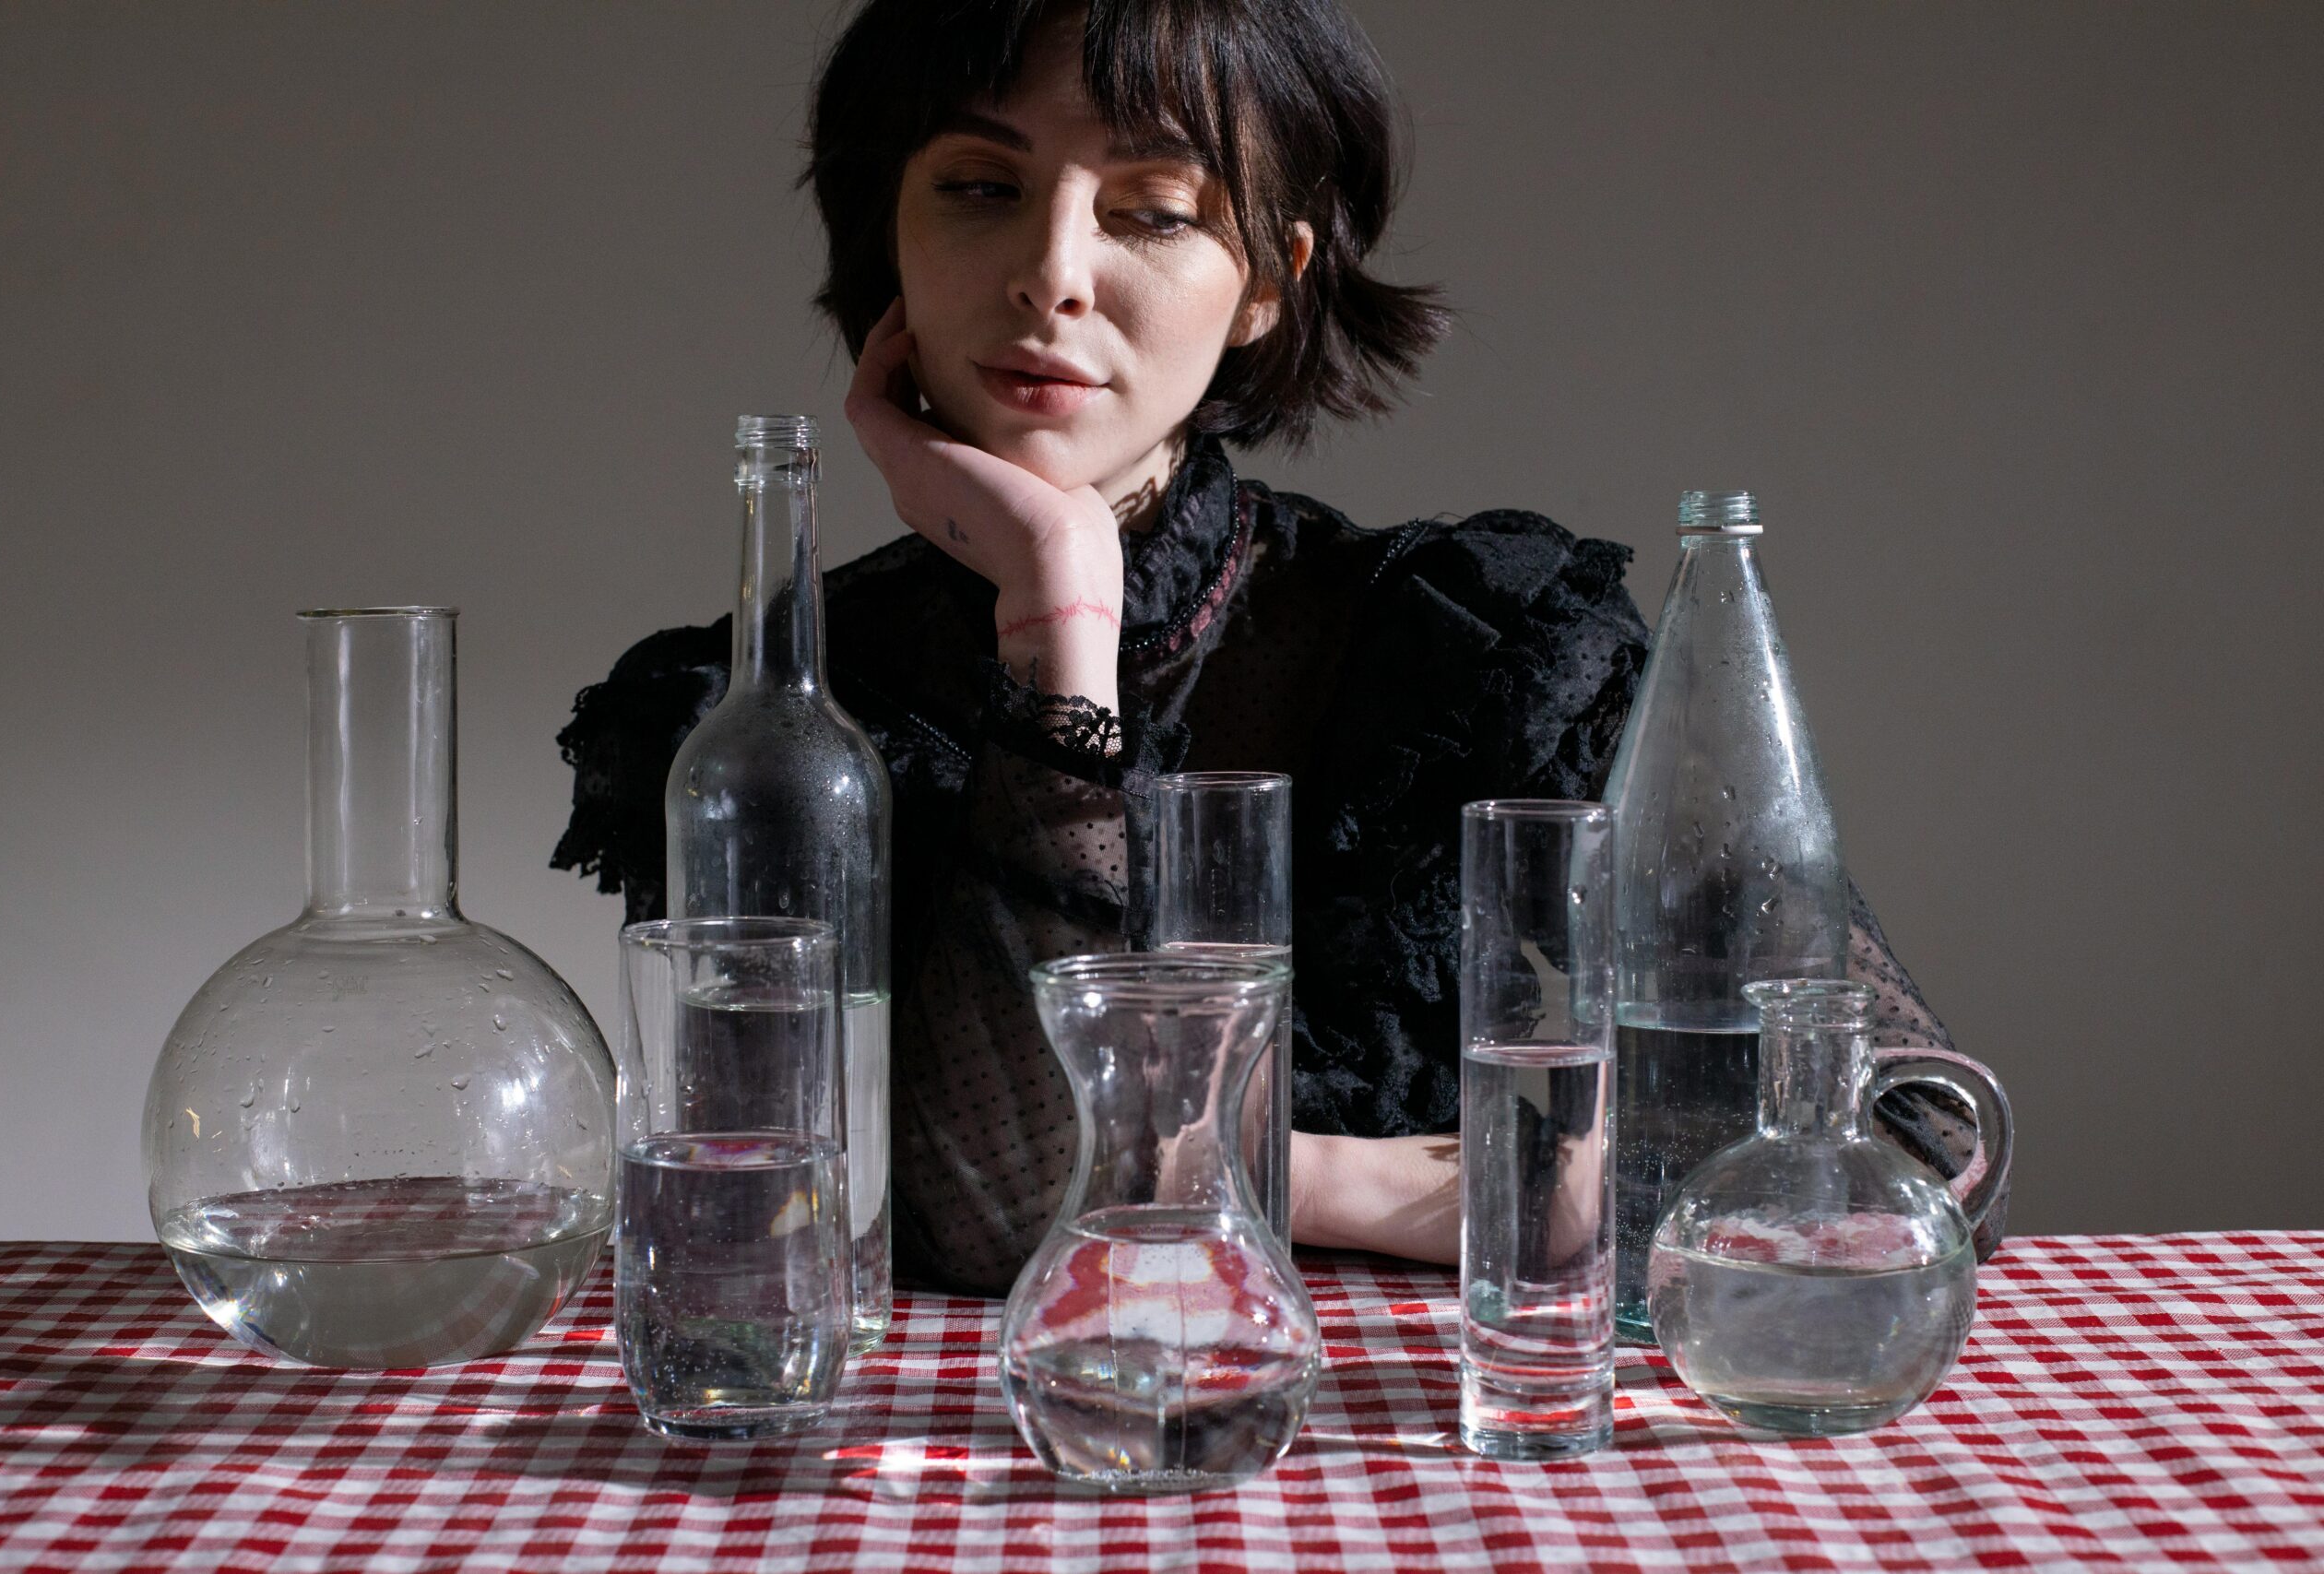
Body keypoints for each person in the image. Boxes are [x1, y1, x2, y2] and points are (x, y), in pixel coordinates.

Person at [553, 0, 1991, 1296]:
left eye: (1156, 212)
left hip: (1449, 1457)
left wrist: (1301, 1176)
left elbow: (1910, 1141)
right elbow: (957, 1223)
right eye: (982, 189)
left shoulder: (1476, 652)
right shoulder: (765, 720)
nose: (1053, 272)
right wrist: (1062, 625)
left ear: (1267, 283)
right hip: (963, 1474)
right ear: (891, 242)